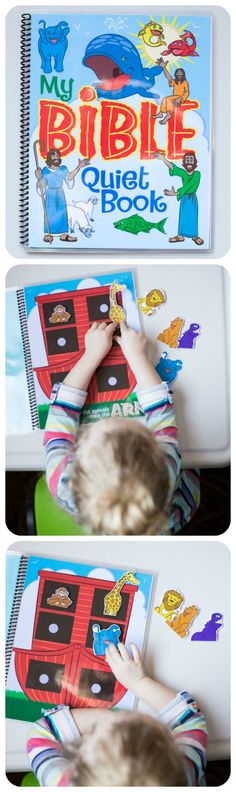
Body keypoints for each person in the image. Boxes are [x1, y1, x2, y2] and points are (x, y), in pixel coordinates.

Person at [44, 321, 200, 535]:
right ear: (156, 450)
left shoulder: (62, 482)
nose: (112, 418)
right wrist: (137, 356)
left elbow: (60, 415)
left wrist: (91, 355)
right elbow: (161, 413)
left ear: (76, 463)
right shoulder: (165, 468)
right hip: (174, 511)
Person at [26, 641, 208, 786]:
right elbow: (190, 718)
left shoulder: (65, 784)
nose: (122, 715)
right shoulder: (183, 773)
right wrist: (139, 682)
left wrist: (108, 719)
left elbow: (39, 734)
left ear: (78, 769)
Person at [35, 148, 89, 242]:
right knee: (50, 213)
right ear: (49, 158)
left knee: (62, 213)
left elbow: (69, 177)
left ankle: (64, 235)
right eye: (54, 155)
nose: (56, 157)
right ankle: (48, 234)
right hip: (50, 194)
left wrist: (79, 166)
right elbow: (42, 185)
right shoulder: (45, 170)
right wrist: (39, 177)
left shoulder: (63, 169)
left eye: (57, 155)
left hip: (60, 193)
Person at [153, 150, 204, 245]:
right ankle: (180, 236)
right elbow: (173, 168)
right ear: (184, 163)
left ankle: (195, 236)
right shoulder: (183, 173)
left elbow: (191, 184)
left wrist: (176, 193)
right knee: (183, 216)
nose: (189, 162)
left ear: (195, 162)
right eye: (187, 160)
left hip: (192, 199)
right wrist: (163, 158)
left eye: (191, 160)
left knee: (192, 216)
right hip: (184, 199)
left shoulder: (197, 174)